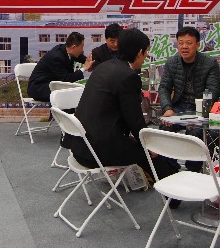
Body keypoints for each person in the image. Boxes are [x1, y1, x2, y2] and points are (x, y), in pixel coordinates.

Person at [66, 28, 177, 181]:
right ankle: (173, 188)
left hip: (80, 147)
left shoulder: (104, 67)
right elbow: (134, 121)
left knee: (145, 148)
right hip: (98, 152)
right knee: (154, 155)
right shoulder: (128, 76)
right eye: (146, 52)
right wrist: (149, 145)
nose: (146, 56)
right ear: (140, 52)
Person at [159, 26, 220, 117]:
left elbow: (213, 91)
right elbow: (164, 88)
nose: (184, 47)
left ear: (197, 45)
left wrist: (204, 110)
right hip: (177, 109)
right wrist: (167, 108)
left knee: (197, 127)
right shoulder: (171, 62)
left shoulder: (210, 63)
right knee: (164, 124)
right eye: (181, 43)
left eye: (189, 43)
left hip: (201, 109)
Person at [27, 32, 93, 102]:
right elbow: (67, 79)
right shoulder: (56, 57)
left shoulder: (67, 50)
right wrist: (84, 68)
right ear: (73, 47)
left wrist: (90, 62)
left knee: (75, 91)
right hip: (40, 88)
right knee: (73, 94)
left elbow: (84, 60)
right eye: (81, 47)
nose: (82, 51)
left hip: (52, 86)